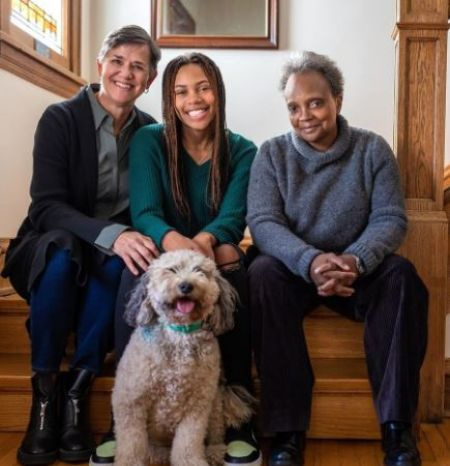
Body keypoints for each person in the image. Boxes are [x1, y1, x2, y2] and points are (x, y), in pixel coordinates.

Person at [246, 51, 428, 466]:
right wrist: (310, 261)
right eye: (294, 107)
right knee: (260, 273)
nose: (305, 115)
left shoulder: (371, 149)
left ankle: (397, 431)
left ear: (337, 100)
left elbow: (390, 217)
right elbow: (263, 222)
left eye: (315, 102)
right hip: (296, 271)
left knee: (402, 275)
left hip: (356, 272)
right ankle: (288, 431)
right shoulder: (272, 155)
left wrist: (354, 261)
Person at [1, 25, 161, 465]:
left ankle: (79, 389)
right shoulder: (60, 119)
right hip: (58, 239)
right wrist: (111, 234)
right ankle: (45, 394)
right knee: (59, 256)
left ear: (148, 81)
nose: (125, 73)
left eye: (138, 67)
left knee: (125, 267)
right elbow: (46, 206)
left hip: (113, 248)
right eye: (117, 61)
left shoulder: (151, 133)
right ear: (99, 65)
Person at [92, 52, 261, 466]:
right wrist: (181, 251)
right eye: (181, 91)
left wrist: (205, 243)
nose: (194, 100)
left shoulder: (243, 150)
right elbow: (146, 212)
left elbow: (233, 216)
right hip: (164, 248)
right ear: (170, 98)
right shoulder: (150, 140)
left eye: (203, 88)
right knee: (135, 268)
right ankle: (123, 415)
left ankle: (237, 409)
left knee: (233, 269)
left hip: (212, 252)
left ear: (217, 93)